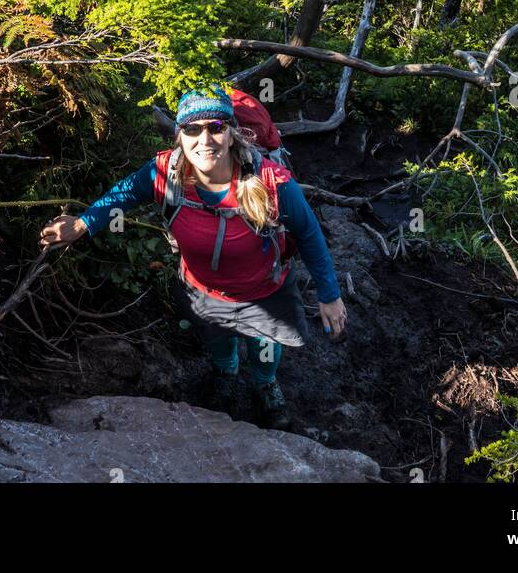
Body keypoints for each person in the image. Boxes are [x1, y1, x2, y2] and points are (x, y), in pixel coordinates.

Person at [39, 86, 347, 428]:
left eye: (216, 127)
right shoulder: (165, 174)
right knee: (217, 338)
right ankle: (226, 374)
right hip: (202, 289)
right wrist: (83, 224)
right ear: (180, 136)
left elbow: (308, 233)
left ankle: (264, 386)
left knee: (265, 347)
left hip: (264, 291)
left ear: (231, 134)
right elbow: (121, 196)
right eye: (192, 129)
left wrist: (329, 295)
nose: (205, 139)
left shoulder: (273, 183)